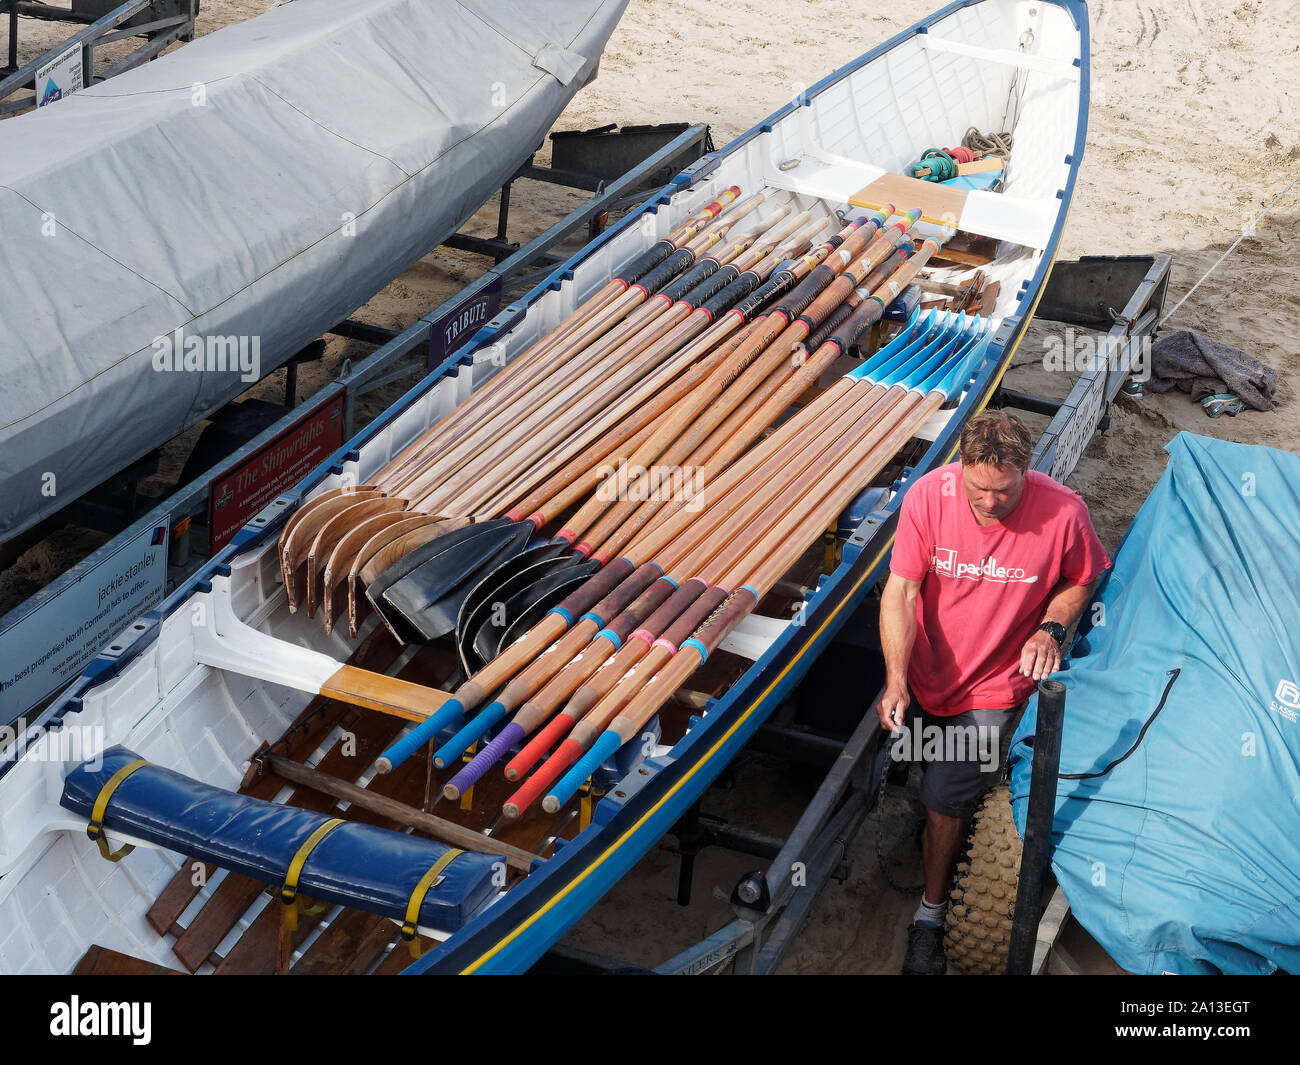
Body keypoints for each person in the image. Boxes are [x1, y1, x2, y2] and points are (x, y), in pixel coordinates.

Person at [878, 410, 1110, 975]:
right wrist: (896, 677)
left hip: (997, 685)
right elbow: (902, 591)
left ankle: (929, 916)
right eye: (978, 489)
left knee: (944, 799)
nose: (988, 502)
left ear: (1026, 473)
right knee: (922, 768)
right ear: (960, 467)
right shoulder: (928, 497)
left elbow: (1084, 576)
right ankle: (935, 820)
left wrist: (1051, 627)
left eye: (1003, 492)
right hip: (930, 670)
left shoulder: (1063, 513)